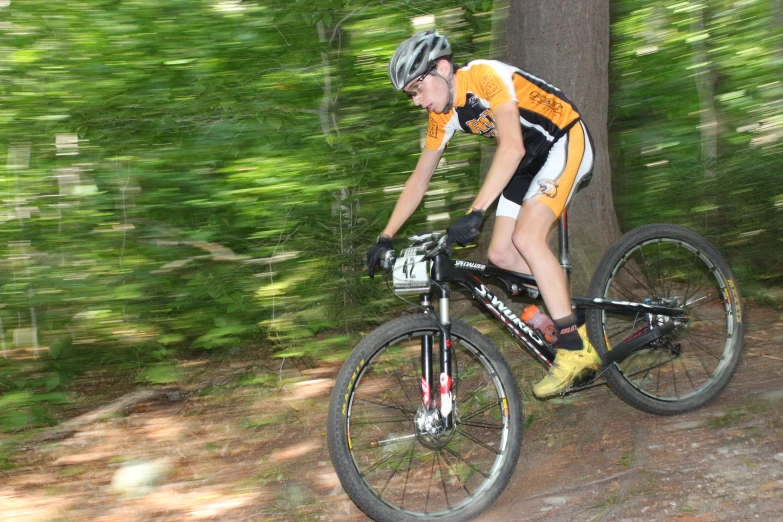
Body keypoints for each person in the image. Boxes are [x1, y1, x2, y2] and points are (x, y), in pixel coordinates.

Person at [367, 30, 600, 398]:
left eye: (418, 88)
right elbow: (419, 179)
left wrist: (476, 211)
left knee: (527, 237)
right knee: (500, 255)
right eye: (411, 94)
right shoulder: (441, 117)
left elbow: (510, 144)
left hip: (563, 138)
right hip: (526, 159)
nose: (417, 100)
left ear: (442, 68)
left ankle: (574, 349)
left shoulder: (483, 76)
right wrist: (386, 236)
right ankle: (566, 314)